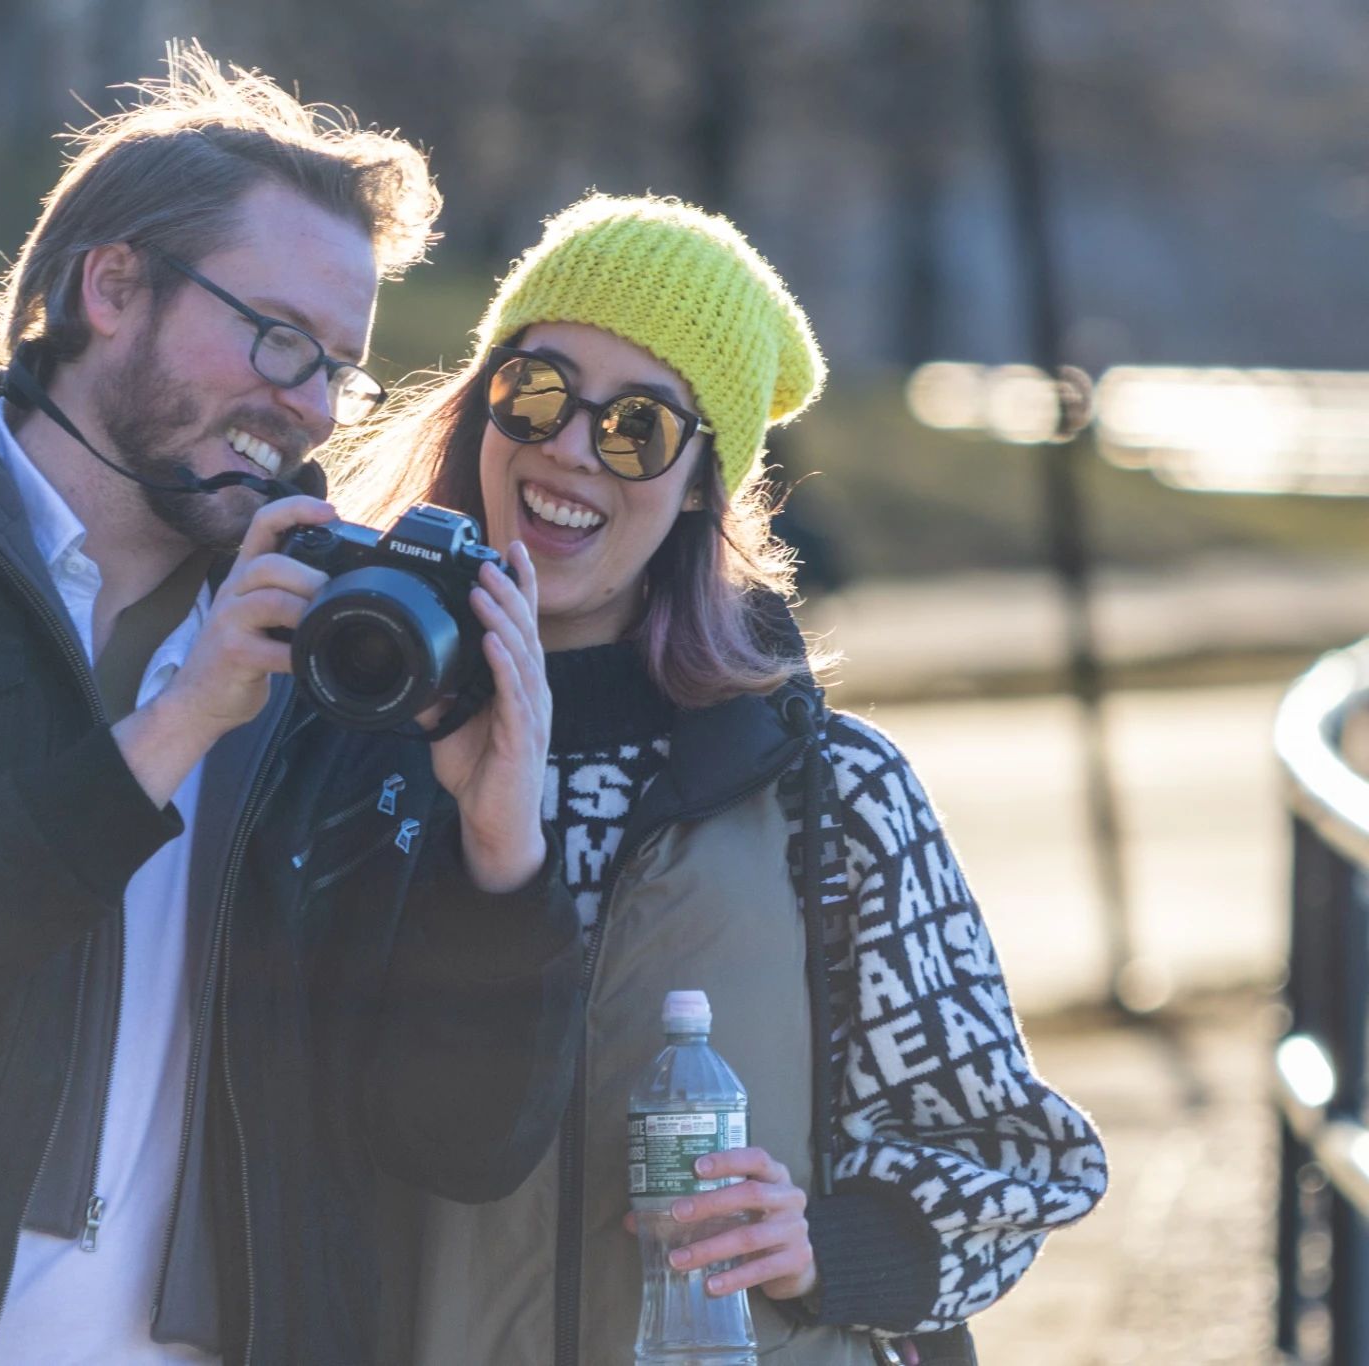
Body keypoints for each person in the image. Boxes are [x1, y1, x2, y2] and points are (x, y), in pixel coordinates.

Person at [0, 47, 580, 1366]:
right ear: (112, 286)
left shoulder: (335, 651)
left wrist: (502, 854)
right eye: (275, 336)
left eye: (337, 369)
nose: (306, 405)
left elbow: (456, 1141)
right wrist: (177, 723)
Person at [336, 194, 1110, 1366]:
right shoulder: (344, 744)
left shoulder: (828, 793)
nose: (566, 445)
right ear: (480, 405)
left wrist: (823, 1248)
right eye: (536, 389)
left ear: (702, 483)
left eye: (636, 426)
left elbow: (1010, 1157)